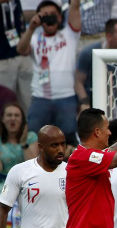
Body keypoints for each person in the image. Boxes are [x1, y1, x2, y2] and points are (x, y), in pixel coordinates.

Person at [16, 0, 81, 146]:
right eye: (44, 15)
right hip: (40, 97)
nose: (49, 18)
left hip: (66, 96)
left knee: (67, 137)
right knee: (34, 137)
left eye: (53, 14)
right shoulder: (33, 36)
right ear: (38, 18)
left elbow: (75, 6)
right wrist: (31, 27)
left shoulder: (70, 34)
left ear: (60, 17)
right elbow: (21, 50)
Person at [1, 102, 38, 181]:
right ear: (3, 119)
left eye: (16, 115)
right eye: (9, 115)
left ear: (22, 120)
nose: (13, 118)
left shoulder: (31, 137)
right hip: (4, 183)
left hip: (27, 182)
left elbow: (34, 167)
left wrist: (24, 144)